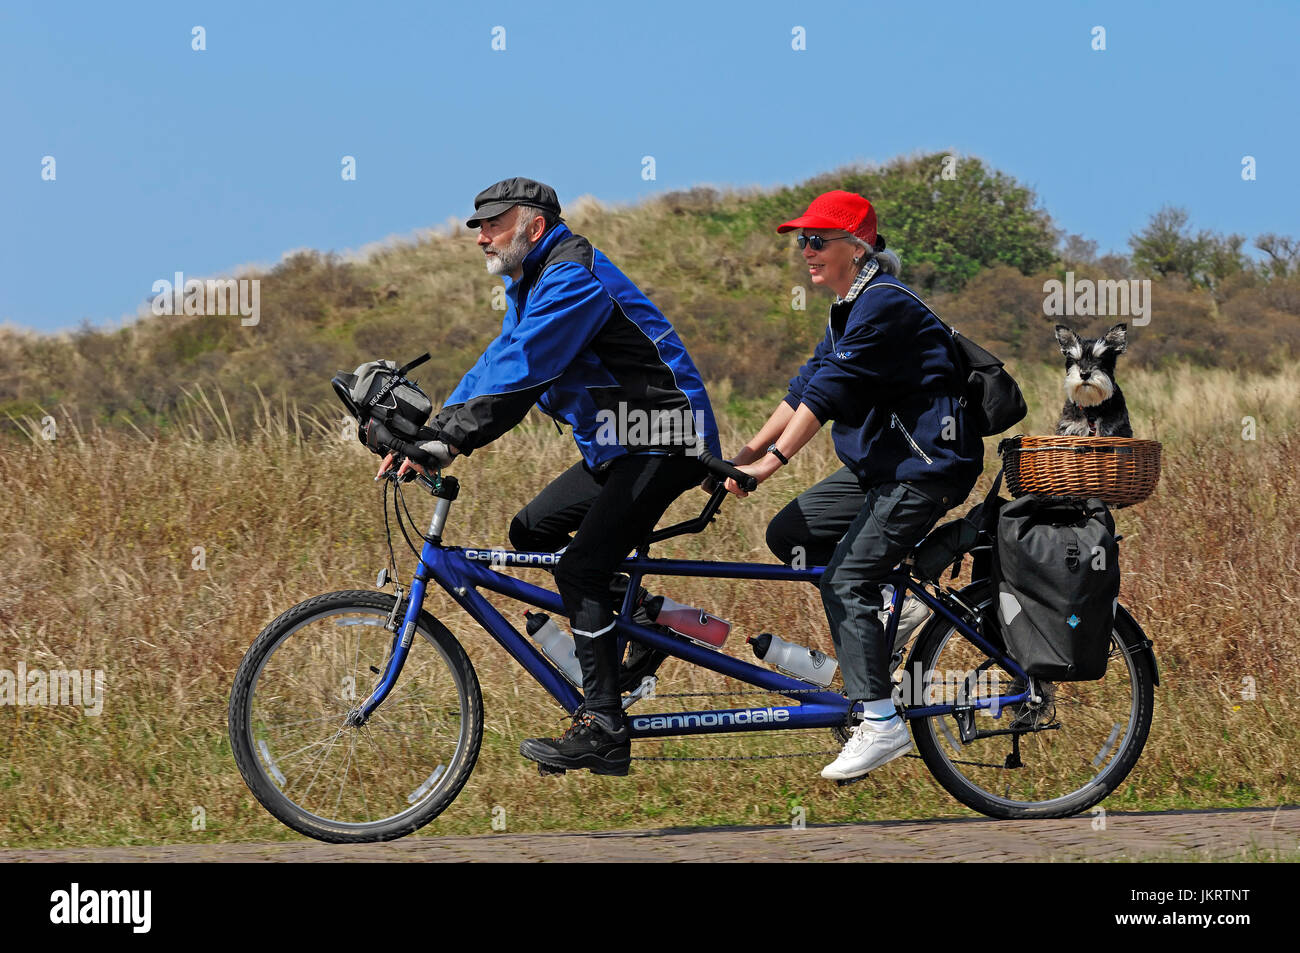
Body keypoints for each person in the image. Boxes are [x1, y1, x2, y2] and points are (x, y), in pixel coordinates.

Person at [371, 177, 721, 777]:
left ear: (533, 225)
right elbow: (497, 362)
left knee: (581, 566)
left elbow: (527, 369)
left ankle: (605, 727)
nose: (481, 236)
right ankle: (643, 619)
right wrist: (434, 429)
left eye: (492, 224)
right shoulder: (531, 280)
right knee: (532, 530)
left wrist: (449, 442)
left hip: (666, 438)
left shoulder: (571, 275)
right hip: (618, 445)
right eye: (477, 226)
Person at [722, 190, 983, 781]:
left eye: (817, 241)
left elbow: (828, 393)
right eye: (801, 241)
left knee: (846, 578)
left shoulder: (884, 304)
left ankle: (881, 721)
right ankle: (890, 611)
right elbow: (802, 387)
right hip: (882, 469)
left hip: (927, 467)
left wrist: (774, 463)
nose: (805, 252)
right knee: (791, 531)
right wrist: (740, 458)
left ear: (856, 248)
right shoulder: (847, 306)